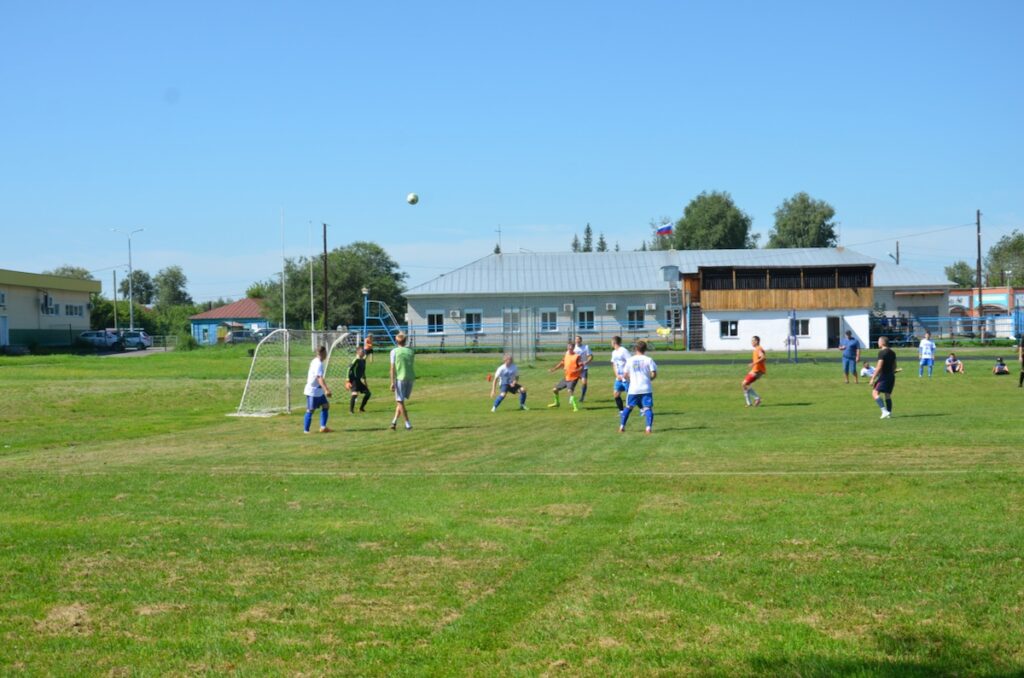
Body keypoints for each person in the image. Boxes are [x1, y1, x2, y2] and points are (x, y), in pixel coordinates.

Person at [619, 340, 657, 434]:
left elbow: (625, 374)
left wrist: (630, 380)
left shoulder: (630, 360)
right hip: (646, 387)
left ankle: (622, 426)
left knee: (629, 407)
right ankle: (648, 428)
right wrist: (649, 379)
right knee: (647, 408)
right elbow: (654, 373)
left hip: (634, 388)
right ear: (645, 349)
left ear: (636, 348)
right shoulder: (649, 359)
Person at [303, 345, 333, 433]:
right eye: (326, 353)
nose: (326, 355)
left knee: (326, 406)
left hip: (318, 391)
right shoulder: (318, 364)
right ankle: (306, 431)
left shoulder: (315, 361)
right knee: (310, 410)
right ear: (322, 353)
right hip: (313, 391)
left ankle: (323, 427)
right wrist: (326, 389)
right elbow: (319, 378)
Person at [388, 332, 415, 430]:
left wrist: (392, 382)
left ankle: (407, 423)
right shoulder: (411, 351)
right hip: (411, 378)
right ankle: (394, 422)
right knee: (400, 401)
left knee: (400, 401)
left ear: (396, 341)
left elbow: (392, 368)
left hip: (400, 378)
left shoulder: (394, 351)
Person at [548, 342, 583, 411]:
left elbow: (581, 367)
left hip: (573, 378)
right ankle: (557, 403)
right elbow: (562, 363)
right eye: (569, 347)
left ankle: (575, 407)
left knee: (569, 390)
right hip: (567, 377)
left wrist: (576, 371)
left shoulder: (576, 356)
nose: (570, 348)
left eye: (571, 347)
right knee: (555, 390)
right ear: (567, 347)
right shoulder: (566, 355)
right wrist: (554, 369)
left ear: (573, 348)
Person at [870, 336, 897, 419]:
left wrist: (872, 378)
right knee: (887, 395)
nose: (878, 342)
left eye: (878, 341)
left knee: (874, 393)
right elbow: (895, 365)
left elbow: (879, 367)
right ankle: (889, 413)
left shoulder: (882, 353)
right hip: (891, 376)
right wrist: (892, 371)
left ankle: (884, 411)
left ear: (882, 343)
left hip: (884, 376)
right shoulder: (892, 352)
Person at [742, 335, 766, 407]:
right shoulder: (756, 349)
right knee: (745, 385)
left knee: (744, 384)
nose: (751, 342)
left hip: (757, 370)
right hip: (755, 370)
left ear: (757, 341)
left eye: (753, 341)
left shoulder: (759, 349)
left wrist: (753, 363)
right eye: (751, 341)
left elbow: (763, 357)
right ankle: (749, 403)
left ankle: (757, 398)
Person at [610, 335, 631, 412]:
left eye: (611, 342)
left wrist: (626, 374)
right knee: (616, 394)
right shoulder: (614, 352)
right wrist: (616, 375)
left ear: (614, 342)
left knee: (632, 395)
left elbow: (630, 362)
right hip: (618, 378)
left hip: (626, 377)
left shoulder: (623, 350)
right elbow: (614, 364)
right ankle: (621, 411)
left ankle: (643, 409)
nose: (611, 343)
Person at [347, 346, 371, 413]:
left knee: (368, 393)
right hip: (354, 380)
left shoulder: (363, 361)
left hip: (359, 381)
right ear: (357, 352)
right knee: (354, 394)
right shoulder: (356, 360)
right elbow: (348, 369)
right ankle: (351, 411)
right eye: (362, 351)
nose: (363, 352)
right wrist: (347, 380)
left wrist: (365, 383)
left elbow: (363, 372)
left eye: (363, 351)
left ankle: (361, 408)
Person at [573, 335, 594, 402]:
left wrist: (586, 362)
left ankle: (582, 397)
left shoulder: (585, 347)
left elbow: (591, 356)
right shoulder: (573, 348)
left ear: (581, 340)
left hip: (583, 368)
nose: (577, 341)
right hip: (575, 368)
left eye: (578, 339)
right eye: (576, 339)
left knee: (584, 382)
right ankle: (571, 397)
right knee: (572, 383)